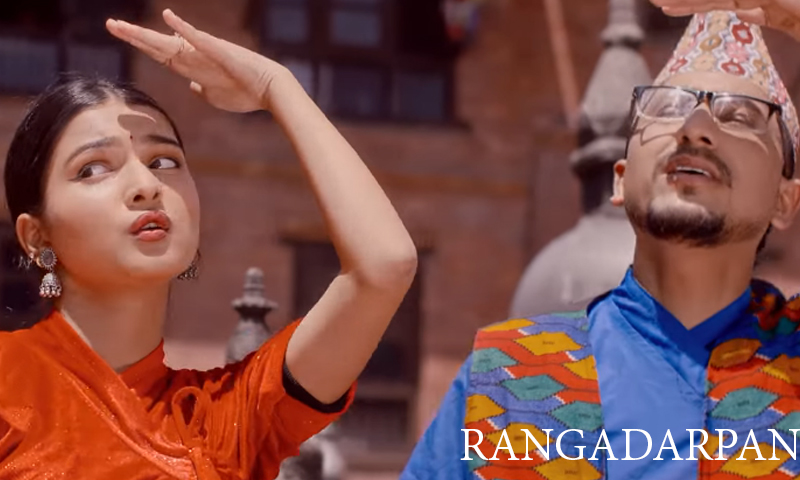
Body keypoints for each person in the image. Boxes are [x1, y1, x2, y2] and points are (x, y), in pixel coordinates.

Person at [0, 8, 417, 480]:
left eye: (164, 162)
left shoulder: (228, 418)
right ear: (37, 236)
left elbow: (385, 266)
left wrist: (277, 86)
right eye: (93, 168)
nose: (146, 186)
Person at [401, 4, 800, 480]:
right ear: (621, 179)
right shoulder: (504, 378)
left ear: (785, 201)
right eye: (667, 108)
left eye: (739, 116)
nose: (695, 127)